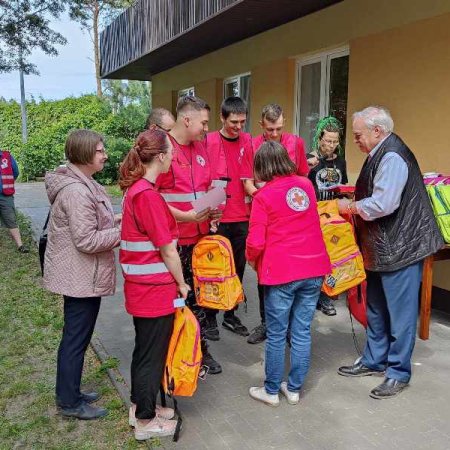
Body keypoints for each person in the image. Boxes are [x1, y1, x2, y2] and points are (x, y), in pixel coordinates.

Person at [337, 106, 443, 399]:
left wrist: (351, 207)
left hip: (402, 247)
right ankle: (374, 360)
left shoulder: (393, 156)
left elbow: (384, 204)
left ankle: (398, 372)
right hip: (382, 247)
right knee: (376, 308)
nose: (355, 140)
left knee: (400, 314)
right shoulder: (380, 152)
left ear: (377, 131)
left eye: (358, 135)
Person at [246, 141, 331, 406]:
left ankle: (271, 390)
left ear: (262, 166)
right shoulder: (305, 185)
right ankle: (293, 389)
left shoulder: (263, 197)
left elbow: (255, 242)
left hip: (282, 272)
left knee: (276, 333)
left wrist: (252, 261)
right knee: (302, 330)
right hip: (314, 268)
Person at [44, 130, 121, 419]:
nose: (105, 155)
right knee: (75, 340)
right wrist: (123, 232)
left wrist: (114, 219)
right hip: (80, 279)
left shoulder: (83, 183)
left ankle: (71, 391)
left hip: (83, 276)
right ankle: (69, 403)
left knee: (78, 337)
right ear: (84, 153)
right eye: (100, 150)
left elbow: (90, 222)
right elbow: (87, 240)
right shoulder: (77, 191)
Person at [119, 129, 188, 440]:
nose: (173, 157)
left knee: (144, 351)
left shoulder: (139, 191)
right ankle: (146, 422)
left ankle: (140, 406)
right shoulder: (146, 195)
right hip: (154, 290)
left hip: (143, 289)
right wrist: (182, 284)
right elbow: (167, 249)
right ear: (160, 157)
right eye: (170, 153)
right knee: (151, 354)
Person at [156, 95, 222, 375]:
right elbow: (150, 199)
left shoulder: (200, 148)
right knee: (180, 301)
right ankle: (187, 354)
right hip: (173, 243)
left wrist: (215, 208)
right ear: (187, 119)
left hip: (200, 238)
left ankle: (196, 350)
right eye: (204, 123)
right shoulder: (160, 149)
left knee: (199, 299)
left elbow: (208, 188)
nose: (207, 128)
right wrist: (187, 217)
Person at [241, 103, 309, 345]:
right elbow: (246, 181)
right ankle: (266, 323)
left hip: (290, 219)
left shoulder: (295, 143)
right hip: (263, 213)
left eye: (278, 128)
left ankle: (290, 326)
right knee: (264, 272)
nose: (274, 134)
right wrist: (261, 196)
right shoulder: (251, 144)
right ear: (261, 125)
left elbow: (303, 176)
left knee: (290, 273)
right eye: (270, 129)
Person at [203, 96, 252, 341]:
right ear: (222, 118)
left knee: (238, 269)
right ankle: (210, 316)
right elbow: (201, 179)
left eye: (242, 122)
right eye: (234, 122)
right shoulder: (208, 140)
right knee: (214, 269)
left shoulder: (248, 141)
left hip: (241, 217)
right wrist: (204, 212)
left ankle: (230, 314)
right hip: (216, 217)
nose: (239, 127)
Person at [307, 116, 348, 316]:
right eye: (328, 140)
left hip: (333, 216)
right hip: (313, 217)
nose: (331, 145)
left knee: (332, 256)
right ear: (319, 139)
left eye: (335, 141)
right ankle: (312, 296)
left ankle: (326, 297)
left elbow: (343, 188)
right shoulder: (310, 159)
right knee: (315, 257)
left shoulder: (340, 161)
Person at [0, 148, 29, 253]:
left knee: (11, 219)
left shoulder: (7, 156)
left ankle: (20, 245)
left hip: (5, 195)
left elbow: (15, 172)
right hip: (5, 194)